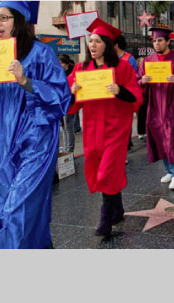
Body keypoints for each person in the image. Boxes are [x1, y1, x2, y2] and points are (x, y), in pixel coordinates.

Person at [0, 1, 69, 248]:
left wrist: (26, 81)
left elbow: (60, 96)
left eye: (3, 18)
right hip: (0, 143)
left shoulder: (41, 53)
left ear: (18, 20)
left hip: (35, 142)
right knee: (17, 206)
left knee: (17, 209)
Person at [65, 18, 143, 237]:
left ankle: (105, 220)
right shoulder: (81, 69)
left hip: (116, 129)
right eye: (90, 41)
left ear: (107, 45)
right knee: (102, 170)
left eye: (97, 41)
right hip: (92, 130)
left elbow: (136, 95)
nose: (92, 45)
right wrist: (72, 91)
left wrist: (120, 91)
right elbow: (70, 104)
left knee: (108, 169)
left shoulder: (123, 67)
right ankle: (117, 209)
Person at [138, 27, 174, 191]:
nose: (156, 44)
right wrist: (142, 80)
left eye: (160, 40)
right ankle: (170, 170)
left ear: (168, 41)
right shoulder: (148, 61)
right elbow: (137, 82)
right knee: (159, 139)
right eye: (154, 41)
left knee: (172, 138)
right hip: (155, 106)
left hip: (173, 106)